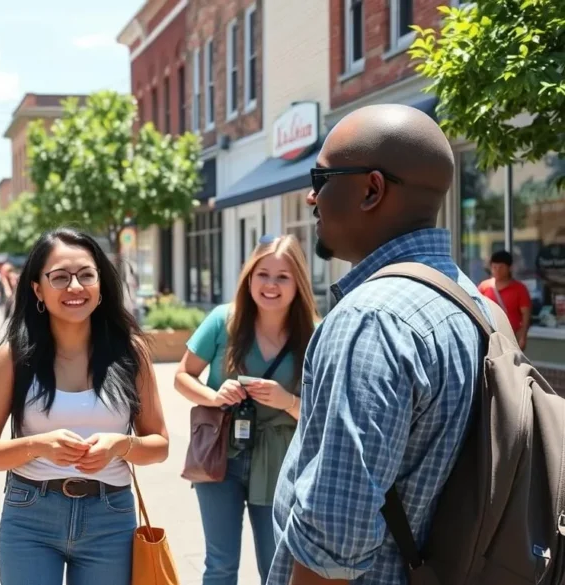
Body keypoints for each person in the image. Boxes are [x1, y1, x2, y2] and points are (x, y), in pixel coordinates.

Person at [268, 104, 491, 585]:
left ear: (371, 189)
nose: (311, 196)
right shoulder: (472, 301)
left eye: (321, 178)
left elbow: (333, 547)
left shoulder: (372, 320)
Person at [0, 227, 169, 585]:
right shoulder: (14, 355)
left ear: (101, 285)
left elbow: (159, 445)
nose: (75, 287)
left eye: (86, 275)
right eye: (59, 277)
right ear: (37, 289)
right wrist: (37, 446)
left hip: (111, 515)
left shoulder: (130, 353)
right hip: (30, 515)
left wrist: (119, 446)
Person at [175, 235, 319, 585]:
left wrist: (286, 400)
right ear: (249, 278)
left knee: (277, 566)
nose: (271, 285)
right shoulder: (224, 320)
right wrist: (214, 396)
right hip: (219, 455)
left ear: (298, 281)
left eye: (282, 277)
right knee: (221, 565)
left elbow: (322, 415)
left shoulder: (316, 332)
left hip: (281, 461)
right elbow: (182, 377)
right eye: (262, 274)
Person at [478, 250, 531, 350]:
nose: (497, 270)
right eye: (494, 267)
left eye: (501, 267)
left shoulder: (520, 289)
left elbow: (526, 315)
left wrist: (523, 336)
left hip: (511, 338)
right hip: (489, 337)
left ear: (509, 268)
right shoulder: (484, 287)